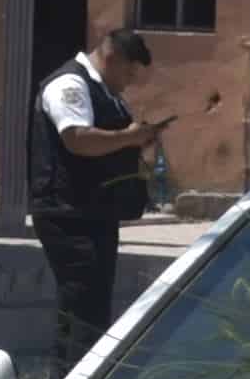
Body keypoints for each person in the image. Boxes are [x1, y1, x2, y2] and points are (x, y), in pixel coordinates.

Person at [31, 19, 167, 357]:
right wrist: (129, 137)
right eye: (129, 75)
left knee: (91, 309)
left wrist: (141, 144)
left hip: (94, 213)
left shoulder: (105, 92)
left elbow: (114, 144)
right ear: (113, 59)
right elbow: (76, 138)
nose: (128, 85)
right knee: (82, 312)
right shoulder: (70, 85)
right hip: (69, 214)